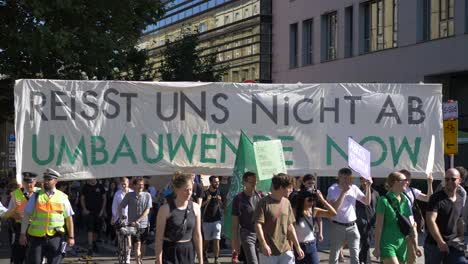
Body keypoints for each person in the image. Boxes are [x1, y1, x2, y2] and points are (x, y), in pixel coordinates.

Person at [19, 168, 75, 264]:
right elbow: (27, 215)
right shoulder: (36, 196)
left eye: (49, 179)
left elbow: (68, 218)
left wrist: (71, 237)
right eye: (45, 179)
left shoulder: (62, 197)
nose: (46, 181)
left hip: (55, 238)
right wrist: (22, 234)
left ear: (56, 181)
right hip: (37, 238)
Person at [254, 173, 304, 264]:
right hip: (268, 253)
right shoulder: (263, 202)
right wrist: (264, 244)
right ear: (281, 187)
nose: (291, 190)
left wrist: (297, 247)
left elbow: (290, 227)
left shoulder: (287, 202)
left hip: (286, 250)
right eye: (289, 187)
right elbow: (258, 225)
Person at [155, 172, 203, 264]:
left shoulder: (196, 208)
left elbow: (197, 235)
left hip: (188, 252)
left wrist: (201, 260)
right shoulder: (165, 209)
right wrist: (158, 260)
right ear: (176, 190)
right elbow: (159, 238)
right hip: (170, 252)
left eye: (190, 189)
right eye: (185, 190)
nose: (189, 193)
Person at [373, 171, 421, 264]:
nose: (407, 182)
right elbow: (379, 226)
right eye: (404, 180)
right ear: (395, 182)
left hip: (401, 244)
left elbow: (409, 226)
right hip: (387, 244)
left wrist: (416, 246)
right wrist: (376, 247)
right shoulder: (383, 200)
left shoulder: (405, 201)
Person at [326, 168, 372, 264]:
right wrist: (343, 192)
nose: (346, 180)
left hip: (352, 226)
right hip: (337, 226)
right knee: (334, 256)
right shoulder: (332, 189)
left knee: (355, 257)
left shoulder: (354, 188)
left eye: (348, 178)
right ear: (338, 177)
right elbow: (333, 208)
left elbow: (367, 202)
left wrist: (368, 186)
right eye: (344, 178)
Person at [424, 168, 467, 264]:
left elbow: (459, 219)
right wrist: (440, 242)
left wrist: (461, 236)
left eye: (453, 179)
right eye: (447, 179)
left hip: (454, 243)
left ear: (459, 180)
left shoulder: (460, 198)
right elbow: (430, 220)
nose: (449, 182)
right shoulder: (435, 198)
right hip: (434, 245)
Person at [4, 172, 41, 264]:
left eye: (31, 182)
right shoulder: (15, 194)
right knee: (19, 255)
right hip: (20, 228)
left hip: (37, 229)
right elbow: (8, 213)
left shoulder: (41, 193)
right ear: (23, 183)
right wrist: (16, 212)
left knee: (35, 257)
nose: (29, 185)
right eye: (27, 182)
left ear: (35, 182)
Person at [398, 169, 433, 264]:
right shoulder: (392, 192)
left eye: (408, 179)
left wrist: (429, 183)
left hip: (410, 226)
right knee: (398, 256)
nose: (406, 181)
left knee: (412, 256)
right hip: (396, 227)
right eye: (403, 179)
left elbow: (428, 198)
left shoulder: (412, 191)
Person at [294, 188, 336, 264]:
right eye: (309, 200)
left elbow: (333, 213)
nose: (312, 202)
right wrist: (295, 247)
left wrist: (323, 200)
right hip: (299, 246)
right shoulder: (295, 212)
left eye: (314, 200)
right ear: (302, 199)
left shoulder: (314, 210)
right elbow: (291, 230)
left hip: (311, 245)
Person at [118, 177, 152, 264]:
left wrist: (138, 220)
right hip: (133, 226)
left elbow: (147, 211)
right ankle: (138, 262)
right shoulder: (129, 195)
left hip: (144, 225)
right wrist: (121, 217)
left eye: (142, 185)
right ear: (134, 185)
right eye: (139, 184)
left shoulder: (147, 195)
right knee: (137, 246)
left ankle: (140, 260)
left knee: (143, 247)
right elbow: (120, 206)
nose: (141, 186)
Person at [231, 171, 263, 264]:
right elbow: (235, 224)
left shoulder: (261, 196)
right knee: (253, 261)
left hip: (261, 233)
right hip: (247, 234)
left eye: (255, 181)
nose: (254, 184)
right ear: (244, 183)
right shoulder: (238, 199)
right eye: (251, 182)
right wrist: (236, 242)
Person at [201, 176, 225, 264]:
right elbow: (200, 205)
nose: (217, 183)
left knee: (216, 239)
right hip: (207, 220)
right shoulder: (205, 193)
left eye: (218, 182)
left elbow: (223, 207)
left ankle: (216, 259)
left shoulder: (219, 192)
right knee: (206, 241)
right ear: (211, 182)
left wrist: (220, 201)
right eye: (215, 182)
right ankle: (204, 254)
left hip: (217, 219)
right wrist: (207, 201)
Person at [356, 176, 380, 264]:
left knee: (367, 243)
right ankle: (365, 261)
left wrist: (378, 221)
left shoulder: (376, 193)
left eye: (367, 179)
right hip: (360, 222)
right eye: (362, 179)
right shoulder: (357, 192)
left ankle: (361, 258)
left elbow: (378, 208)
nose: (365, 181)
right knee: (365, 242)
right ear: (360, 180)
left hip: (372, 222)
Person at [80, 178, 106, 255]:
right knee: (90, 229)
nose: (92, 179)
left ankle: (94, 243)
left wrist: (102, 210)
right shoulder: (85, 187)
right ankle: (90, 247)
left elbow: (104, 198)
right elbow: (82, 199)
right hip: (89, 212)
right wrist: (84, 209)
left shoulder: (100, 186)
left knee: (96, 230)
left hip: (98, 212)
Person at [112, 177, 133, 264]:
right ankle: (120, 247)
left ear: (128, 183)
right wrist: (114, 216)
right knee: (120, 234)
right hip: (120, 217)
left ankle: (128, 256)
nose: (123, 185)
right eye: (122, 184)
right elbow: (114, 206)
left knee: (128, 237)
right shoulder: (118, 194)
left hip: (130, 217)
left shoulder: (132, 193)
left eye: (125, 184)